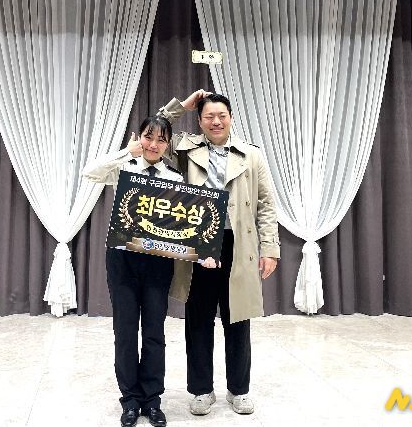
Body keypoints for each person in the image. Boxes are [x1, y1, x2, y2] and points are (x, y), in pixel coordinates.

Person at [157, 90, 280, 415]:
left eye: (221, 116)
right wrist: (179, 107)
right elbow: (155, 134)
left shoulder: (251, 155)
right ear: (199, 121)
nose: (215, 121)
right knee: (198, 319)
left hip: (238, 244)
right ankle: (201, 390)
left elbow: (266, 204)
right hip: (198, 244)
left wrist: (270, 247)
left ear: (230, 118)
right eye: (208, 116)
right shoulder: (185, 149)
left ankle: (238, 390)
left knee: (237, 318)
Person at [82, 116, 182, 427]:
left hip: (158, 262)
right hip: (122, 260)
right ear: (139, 137)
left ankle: (152, 400)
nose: (154, 145)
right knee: (125, 332)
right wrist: (127, 151)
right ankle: (130, 400)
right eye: (149, 137)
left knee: (154, 332)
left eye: (161, 139)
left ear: (168, 144)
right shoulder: (124, 168)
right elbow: (89, 172)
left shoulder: (175, 178)